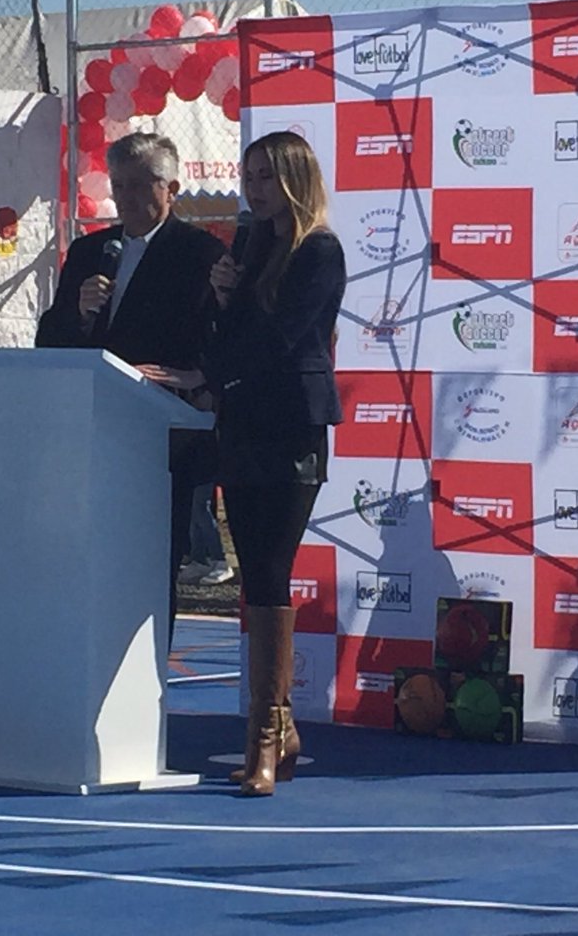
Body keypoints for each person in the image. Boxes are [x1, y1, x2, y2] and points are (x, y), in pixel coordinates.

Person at [35, 131, 225, 642]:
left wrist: (198, 375)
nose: (126, 197)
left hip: (160, 433)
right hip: (92, 430)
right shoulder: (92, 250)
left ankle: (148, 662)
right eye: (119, 185)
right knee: (89, 557)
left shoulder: (200, 253)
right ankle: (87, 654)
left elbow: (216, 336)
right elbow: (49, 340)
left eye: (140, 185)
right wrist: (79, 311)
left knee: (151, 561)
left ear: (171, 189)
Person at [207, 130, 345, 797]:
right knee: (254, 575)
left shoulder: (319, 250)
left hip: (291, 428)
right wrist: (221, 296)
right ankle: (277, 727)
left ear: (293, 178)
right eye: (249, 177)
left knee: (270, 569)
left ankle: (266, 733)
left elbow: (282, 338)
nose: (254, 190)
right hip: (243, 425)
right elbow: (227, 337)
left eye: (266, 177)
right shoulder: (250, 244)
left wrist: (218, 371)